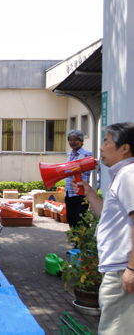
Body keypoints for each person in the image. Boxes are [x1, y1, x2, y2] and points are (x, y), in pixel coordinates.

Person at [74, 122, 134, 334]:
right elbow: (109, 218)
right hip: (117, 269)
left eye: (106, 141)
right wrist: (89, 192)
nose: (100, 147)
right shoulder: (122, 175)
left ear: (124, 148)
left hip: (121, 271)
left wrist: (131, 269)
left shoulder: (128, 175)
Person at [65, 130, 93, 229]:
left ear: (81, 141)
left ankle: (82, 243)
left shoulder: (87, 154)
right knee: (70, 219)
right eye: (70, 140)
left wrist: (97, 186)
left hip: (80, 193)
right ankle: (76, 241)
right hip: (69, 192)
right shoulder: (70, 154)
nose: (72, 142)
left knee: (81, 219)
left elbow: (99, 169)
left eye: (75, 139)